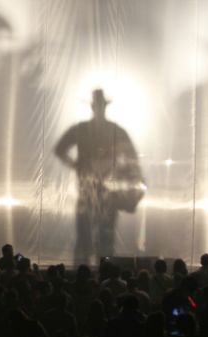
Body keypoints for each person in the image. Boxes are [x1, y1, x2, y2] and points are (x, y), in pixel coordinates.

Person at [55, 89, 144, 264]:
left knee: (97, 236)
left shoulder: (88, 129)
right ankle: (100, 274)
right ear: (97, 107)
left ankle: (87, 274)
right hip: (94, 190)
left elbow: (60, 149)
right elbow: (132, 155)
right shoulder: (112, 130)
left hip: (101, 191)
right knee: (94, 236)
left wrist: (77, 166)